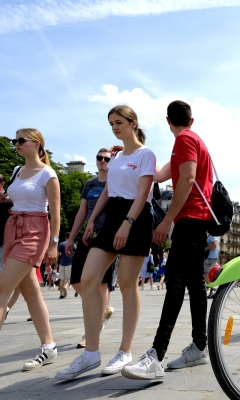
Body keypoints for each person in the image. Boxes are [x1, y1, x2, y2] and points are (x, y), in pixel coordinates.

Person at [56, 105, 156, 380]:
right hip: (112, 215)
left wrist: (128, 224)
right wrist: (91, 220)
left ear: (133, 123)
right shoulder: (117, 158)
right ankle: (91, 352)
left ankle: (125, 351)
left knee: (126, 284)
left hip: (136, 218)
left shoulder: (146, 154)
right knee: (88, 279)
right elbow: (109, 191)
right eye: (112, 123)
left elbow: (143, 192)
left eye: (120, 122)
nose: (115, 127)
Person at [122, 100, 212, 380]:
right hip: (200, 220)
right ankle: (199, 345)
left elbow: (186, 180)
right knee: (196, 285)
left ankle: (156, 356)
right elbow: (159, 174)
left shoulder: (184, 140)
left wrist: (167, 219)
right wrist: (128, 156)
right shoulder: (192, 139)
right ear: (191, 120)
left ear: (167, 120)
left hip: (190, 218)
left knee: (174, 282)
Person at [0, 128, 60, 370]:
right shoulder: (16, 171)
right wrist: (7, 199)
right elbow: (18, 197)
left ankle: (48, 347)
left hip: (35, 231)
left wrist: (54, 244)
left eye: (21, 140)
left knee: (2, 289)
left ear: (37, 143)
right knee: (31, 293)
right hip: (13, 226)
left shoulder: (48, 174)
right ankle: (48, 347)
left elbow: (55, 213)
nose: (16, 144)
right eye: (15, 140)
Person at [65, 148, 115, 348]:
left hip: (108, 235)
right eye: (99, 158)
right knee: (76, 280)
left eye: (107, 159)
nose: (103, 161)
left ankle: (93, 332)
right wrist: (71, 238)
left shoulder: (117, 181)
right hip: (88, 235)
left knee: (102, 284)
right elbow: (81, 212)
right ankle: (101, 310)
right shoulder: (89, 184)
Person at [57, 233, 74, 298]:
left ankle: (61, 294)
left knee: (61, 279)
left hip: (62, 263)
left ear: (65, 237)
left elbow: (58, 254)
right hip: (69, 263)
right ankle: (66, 287)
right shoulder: (74, 245)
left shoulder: (61, 244)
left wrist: (56, 263)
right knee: (68, 279)